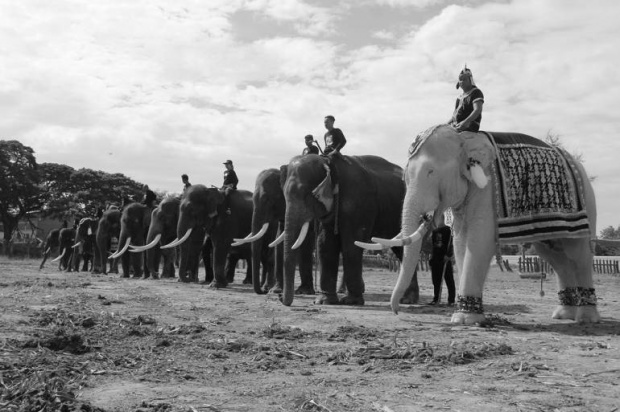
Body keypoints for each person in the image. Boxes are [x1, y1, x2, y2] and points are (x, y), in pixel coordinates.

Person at [428, 214, 455, 306]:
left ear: (441, 219)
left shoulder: (448, 230)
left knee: (449, 280)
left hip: (445, 259)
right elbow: (433, 246)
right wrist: (431, 257)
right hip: (436, 258)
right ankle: (436, 299)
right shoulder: (435, 231)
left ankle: (451, 300)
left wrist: (448, 255)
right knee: (436, 280)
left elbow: (451, 244)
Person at [448, 66, 484, 132]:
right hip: (456, 124)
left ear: (470, 80)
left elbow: (477, 110)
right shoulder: (459, 98)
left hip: (470, 124)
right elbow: (454, 116)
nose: (461, 81)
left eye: (464, 79)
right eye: (460, 79)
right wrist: (446, 125)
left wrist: (465, 122)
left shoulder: (476, 92)